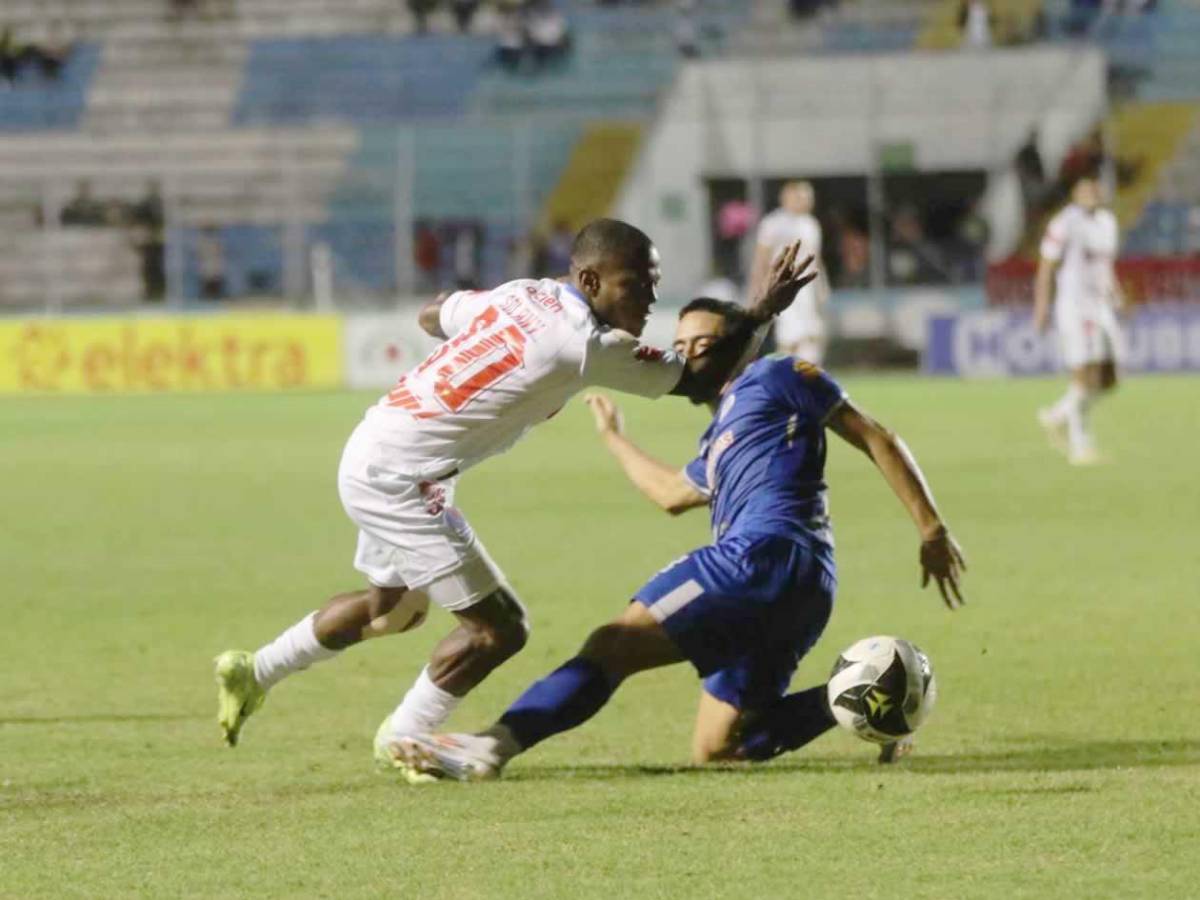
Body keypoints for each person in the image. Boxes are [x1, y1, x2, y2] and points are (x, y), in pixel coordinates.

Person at [213, 219, 816, 759]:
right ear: (589, 278)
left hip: (374, 447)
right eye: (637, 286)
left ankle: (255, 670)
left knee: (390, 609)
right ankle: (405, 734)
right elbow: (699, 379)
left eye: (654, 286)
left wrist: (476, 352)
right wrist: (763, 309)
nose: (650, 301)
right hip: (401, 479)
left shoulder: (522, 293)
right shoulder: (587, 344)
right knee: (499, 630)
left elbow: (434, 314)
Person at [388, 297, 967, 782]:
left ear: (737, 349)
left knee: (612, 645)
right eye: (680, 345)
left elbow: (875, 435)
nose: (685, 357)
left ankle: (492, 746)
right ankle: (863, 695)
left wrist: (931, 526)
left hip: (760, 554)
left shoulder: (776, 376)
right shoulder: (721, 438)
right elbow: (670, 493)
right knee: (718, 749)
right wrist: (615, 438)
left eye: (701, 345)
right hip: (805, 584)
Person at [1034, 174, 1124, 466]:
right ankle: (1079, 446)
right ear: (1074, 193)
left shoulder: (1108, 222)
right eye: (1085, 188)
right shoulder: (1064, 223)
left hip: (1101, 307)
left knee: (1109, 379)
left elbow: (1105, 266)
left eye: (1095, 187)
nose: (1091, 193)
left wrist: (1116, 293)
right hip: (1075, 308)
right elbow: (1046, 267)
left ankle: (1057, 416)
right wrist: (1041, 306)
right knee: (1085, 377)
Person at [749, 181, 830, 365]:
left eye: (809, 197)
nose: (807, 201)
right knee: (790, 336)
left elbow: (816, 258)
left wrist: (822, 285)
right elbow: (761, 259)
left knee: (813, 334)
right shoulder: (773, 223)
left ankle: (807, 374)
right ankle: (783, 373)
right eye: (802, 197)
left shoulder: (811, 224)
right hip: (784, 285)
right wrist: (757, 288)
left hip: (807, 288)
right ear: (787, 197)